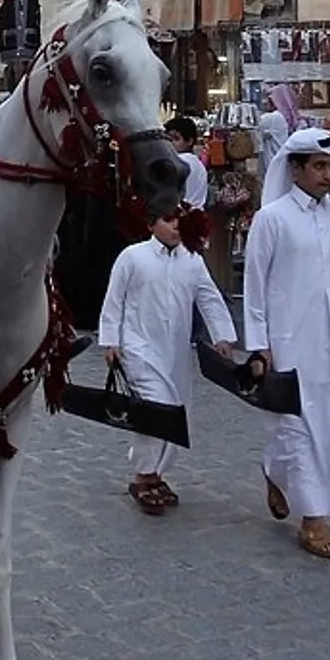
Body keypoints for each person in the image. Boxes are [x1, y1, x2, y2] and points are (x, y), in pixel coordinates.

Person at [241, 128, 330, 561]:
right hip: (289, 344)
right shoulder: (273, 218)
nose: (327, 175)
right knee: (300, 427)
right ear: (296, 169)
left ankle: (275, 471)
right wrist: (259, 344)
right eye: (318, 167)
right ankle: (314, 519)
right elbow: (253, 285)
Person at [99, 210, 237, 513]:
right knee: (154, 408)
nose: (175, 226)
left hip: (175, 352)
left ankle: (157, 473)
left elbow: (209, 298)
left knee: (177, 410)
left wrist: (222, 336)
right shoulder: (132, 257)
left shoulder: (192, 259)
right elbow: (114, 300)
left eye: (179, 220)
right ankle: (143, 474)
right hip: (139, 349)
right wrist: (111, 341)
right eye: (167, 219)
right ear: (150, 224)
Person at [164, 115, 210, 208]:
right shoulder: (198, 164)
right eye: (167, 139)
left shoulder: (179, 161)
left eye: (176, 138)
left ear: (189, 141)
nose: (170, 143)